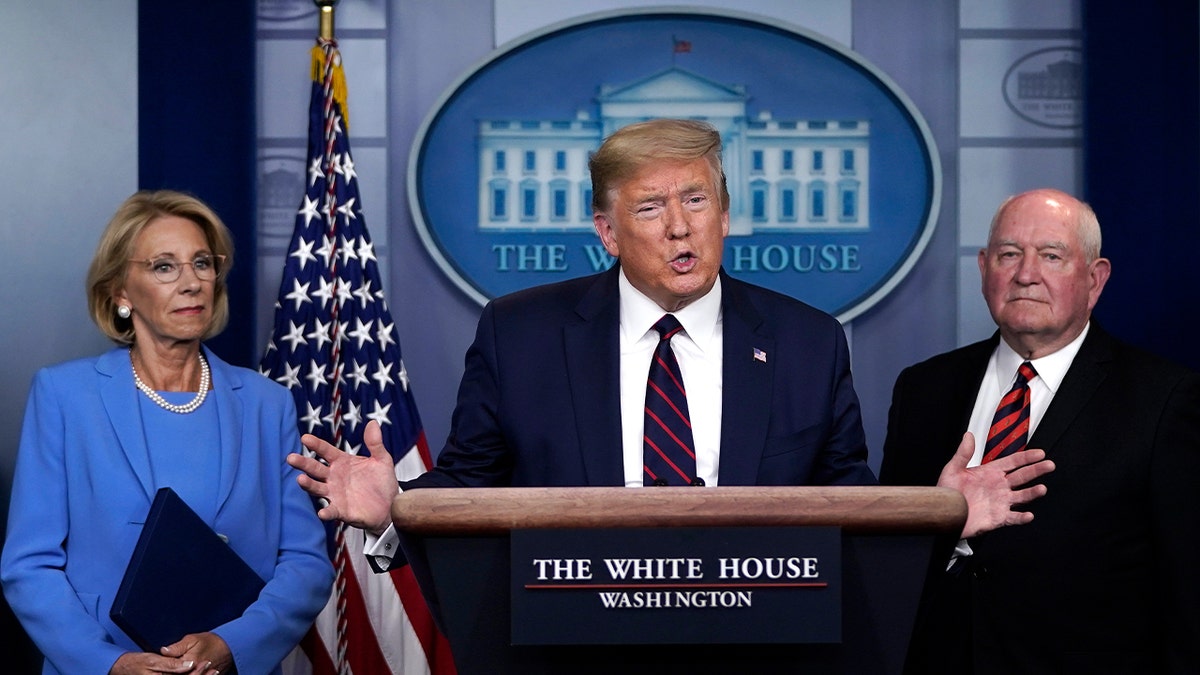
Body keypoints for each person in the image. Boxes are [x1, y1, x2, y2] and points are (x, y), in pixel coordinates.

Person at [288, 119, 1048, 567]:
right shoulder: (520, 334)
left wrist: (934, 518)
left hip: (759, 646)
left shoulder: (806, 341)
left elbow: (844, 505)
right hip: (571, 642)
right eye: (651, 207)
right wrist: (396, 510)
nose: (681, 226)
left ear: (724, 214)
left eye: (697, 200)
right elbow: (471, 490)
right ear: (607, 232)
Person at [1, 191, 334, 675]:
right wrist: (108, 662)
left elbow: (305, 563)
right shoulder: (65, 396)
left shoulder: (266, 404)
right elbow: (29, 567)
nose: (191, 282)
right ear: (120, 291)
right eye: (163, 267)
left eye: (202, 263)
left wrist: (231, 644)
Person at [879, 188, 1200, 674]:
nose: (1026, 274)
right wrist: (941, 522)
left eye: (1052, 256)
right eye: (1009, 255)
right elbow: (883, 562)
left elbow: (1189, 591)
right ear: (985, 269)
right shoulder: (923, 388)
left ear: (1095, 280)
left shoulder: (1166, 398)